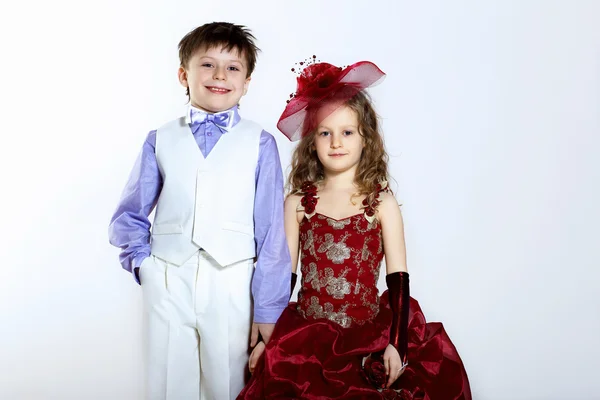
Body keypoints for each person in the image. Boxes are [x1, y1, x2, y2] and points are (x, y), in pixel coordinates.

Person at [238, 59, 472, 399]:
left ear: (366, 138)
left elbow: (399, 280)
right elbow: (281, 276)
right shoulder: (299, 203)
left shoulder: (381, 203)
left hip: (366, 337)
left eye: (347, 132)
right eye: (325, 133)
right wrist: (266, 341)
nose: (336, 142)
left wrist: (397, 346)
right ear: (311, 141)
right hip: (307, 335)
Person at [108, 22, 291, 400]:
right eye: (207, 65)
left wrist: (269, 308)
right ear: (183, 75)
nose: (220, 75)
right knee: (166, 384)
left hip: (233, 283)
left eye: (233, 68)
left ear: (248, 81)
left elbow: (272, 232)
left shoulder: (260, 143)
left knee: (229, 383)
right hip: (168, 278)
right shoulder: (160, 138)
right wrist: (145, 266)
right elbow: (130, 214)